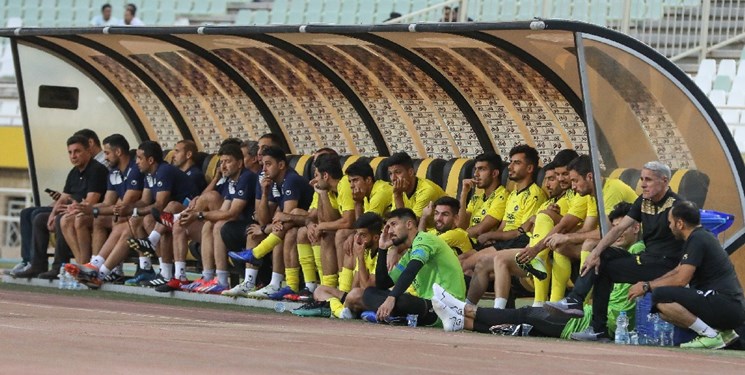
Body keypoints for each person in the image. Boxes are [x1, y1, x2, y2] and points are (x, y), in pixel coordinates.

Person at [432, 202, 643, 336]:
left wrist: (591, 248)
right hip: (586, 318)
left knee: (526, 315)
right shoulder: (613, 254)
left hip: (592, 323)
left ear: (636, 227)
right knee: (525, 325)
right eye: (613, 229)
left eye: (621, 228)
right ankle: (461, 322)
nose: (616, 234)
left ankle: (464, 309)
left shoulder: (638, 250)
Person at [546, 161, 684, 341]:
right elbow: (618, 229)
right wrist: (594, 253)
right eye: (642, 179)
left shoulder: (677, 206)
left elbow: (691, 238)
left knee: (603, 263)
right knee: (601, 260)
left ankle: (580, 306)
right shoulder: (643, 201)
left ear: (664, 181)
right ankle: (591, 321)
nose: (642, 184)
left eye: (648, 180)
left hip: (665, 265)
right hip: (645, 260)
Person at [65, 141, 196, 288]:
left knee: (144, 221)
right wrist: (129, 209)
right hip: (168, 218)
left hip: (189, 216)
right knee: (133, 221)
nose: (137, 162)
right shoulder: (148, 174)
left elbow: (159, 204)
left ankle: (152, 259)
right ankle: (97, 270)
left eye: (139, 158)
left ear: (150, 160)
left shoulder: (164, 170)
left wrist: (130, 210)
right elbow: (145, 201)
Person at [628, 201, 745, 349]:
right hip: (726, 305)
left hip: (725, 304)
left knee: (660, 296)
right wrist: (646, 283)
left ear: (680, 224)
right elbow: (677, 271)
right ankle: (722, 333)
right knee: (661, 309)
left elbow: (681, 280)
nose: (669, 227)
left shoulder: (698, 239)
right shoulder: (698, 237)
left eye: (670, 223)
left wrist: (647, 286)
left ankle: (710, 335)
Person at [13, 135, 108, 279]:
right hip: (70, 211)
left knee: (60, 219)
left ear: (88, 151)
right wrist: (52, 214)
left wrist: (65, 211)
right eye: (70, 152)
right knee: (40, 219)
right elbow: (63, 197)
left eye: (77, 151)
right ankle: (36, 265)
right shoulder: (74, 172)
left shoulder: (97, 170)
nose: (73, 156)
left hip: (89, 213)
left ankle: (59, 266)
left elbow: (91, 201)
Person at [167, 143, 256, 293]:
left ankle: (222, 280)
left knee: (218, 223)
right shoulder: (231, 180)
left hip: (248, 227)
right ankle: (207, 277)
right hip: (234, 228)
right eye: (221, 162)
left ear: (240, 163)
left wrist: (199, 215)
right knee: (210, 224)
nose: (223, 166)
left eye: (227, 161)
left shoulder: (246, 177)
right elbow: (224, 209)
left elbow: (232, 213)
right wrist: (204, 217)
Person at [227, 146, 313, 297]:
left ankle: (275, 283)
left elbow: (287, 215)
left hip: (307, 223)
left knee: (282, 231)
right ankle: (249, 282)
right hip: (293, 225)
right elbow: (263, 219)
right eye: (263, 165)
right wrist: (265, 194)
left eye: (268, 164)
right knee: (253, 231)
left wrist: (266, 228)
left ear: (280, 165)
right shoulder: (273, 183)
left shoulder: (291, 179)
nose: (264, 169)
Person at [362, 208, 466, 326]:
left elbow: (411, 271)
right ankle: (398, 317)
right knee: (369, 293)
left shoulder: (425, 240)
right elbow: (383, 284)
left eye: (393, 224)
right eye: (388, 226)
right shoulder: (410, 252)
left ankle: (395, 316)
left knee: (401, 300)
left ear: (409, 224)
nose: (390, 231)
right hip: (428, 304)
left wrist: (391, 298)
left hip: (447, 306)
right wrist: (382, 248)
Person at [59, 134, 143, 271]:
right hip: (123, 215)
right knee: (87, 218)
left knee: (114, 219)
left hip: (134, 216)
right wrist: (83, 207)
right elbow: (107, 202)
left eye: (107, 153)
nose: (105, 157)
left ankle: (112, 270)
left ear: (118, 152)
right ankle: (89, 265)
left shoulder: (134, 170)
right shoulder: (114, 172)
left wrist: (93, 210)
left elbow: (124, 206)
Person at [293, 212, 382, 318]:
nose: (357, 240)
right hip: (357, 297)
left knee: (355, 294)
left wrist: (360, 258)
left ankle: (335, 309)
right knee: (320, 290)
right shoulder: (365, 250)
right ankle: (341, 311)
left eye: (363, 235)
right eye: (357, 234)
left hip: (376, 300)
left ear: (376, 237)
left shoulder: (382, 254)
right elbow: (355, 285)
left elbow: (366, 289)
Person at [458, 152, 506, 244]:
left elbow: (481, 229)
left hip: (477, 244)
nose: (476, 174)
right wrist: (464, 193)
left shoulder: (501, 195)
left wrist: (457, 234)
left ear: (494, 173)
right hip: (465, 240)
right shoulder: (477, 198)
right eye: (475, 169)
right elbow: (461, 224)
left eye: (481, 169)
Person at [387, 151, 446, 220]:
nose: (393, 178)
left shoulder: (426, 191)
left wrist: (398, 195)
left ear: (410, 172)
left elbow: (408, 224)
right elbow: (395, 218)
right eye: (390, 173)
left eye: (397, 172)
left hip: (437, 230)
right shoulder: (399, 189)